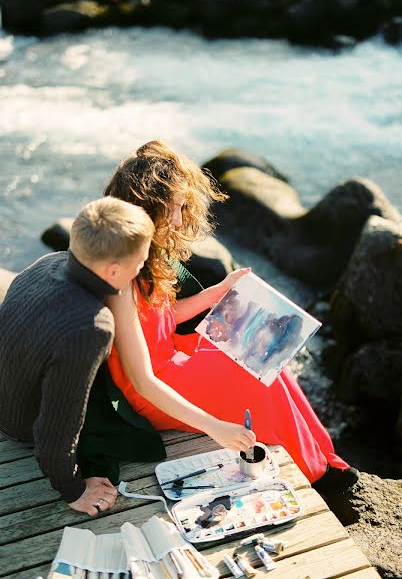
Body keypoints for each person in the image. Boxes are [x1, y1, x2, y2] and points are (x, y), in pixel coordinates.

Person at [104, 139, 359, 492]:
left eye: (181, 207)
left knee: (266, 356)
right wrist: (214, 426)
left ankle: (326, 457)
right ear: (145, 208)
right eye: (171, 209)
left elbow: (160, 317)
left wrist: (218, 291)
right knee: (253, 376)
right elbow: (143, 381)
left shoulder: (145, 253)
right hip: (153, 389)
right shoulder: (122, 275)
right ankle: (316, 473)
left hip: (173, 357)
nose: (179, 220)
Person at [0, 197, 155, 515]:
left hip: (7, 396)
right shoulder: (92, 326)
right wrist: (72, 490)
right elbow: (57, 426)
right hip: (20, 425)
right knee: (137, 432)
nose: (141, 268)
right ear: (113, 269)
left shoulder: (47, 263)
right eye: (140, 262)